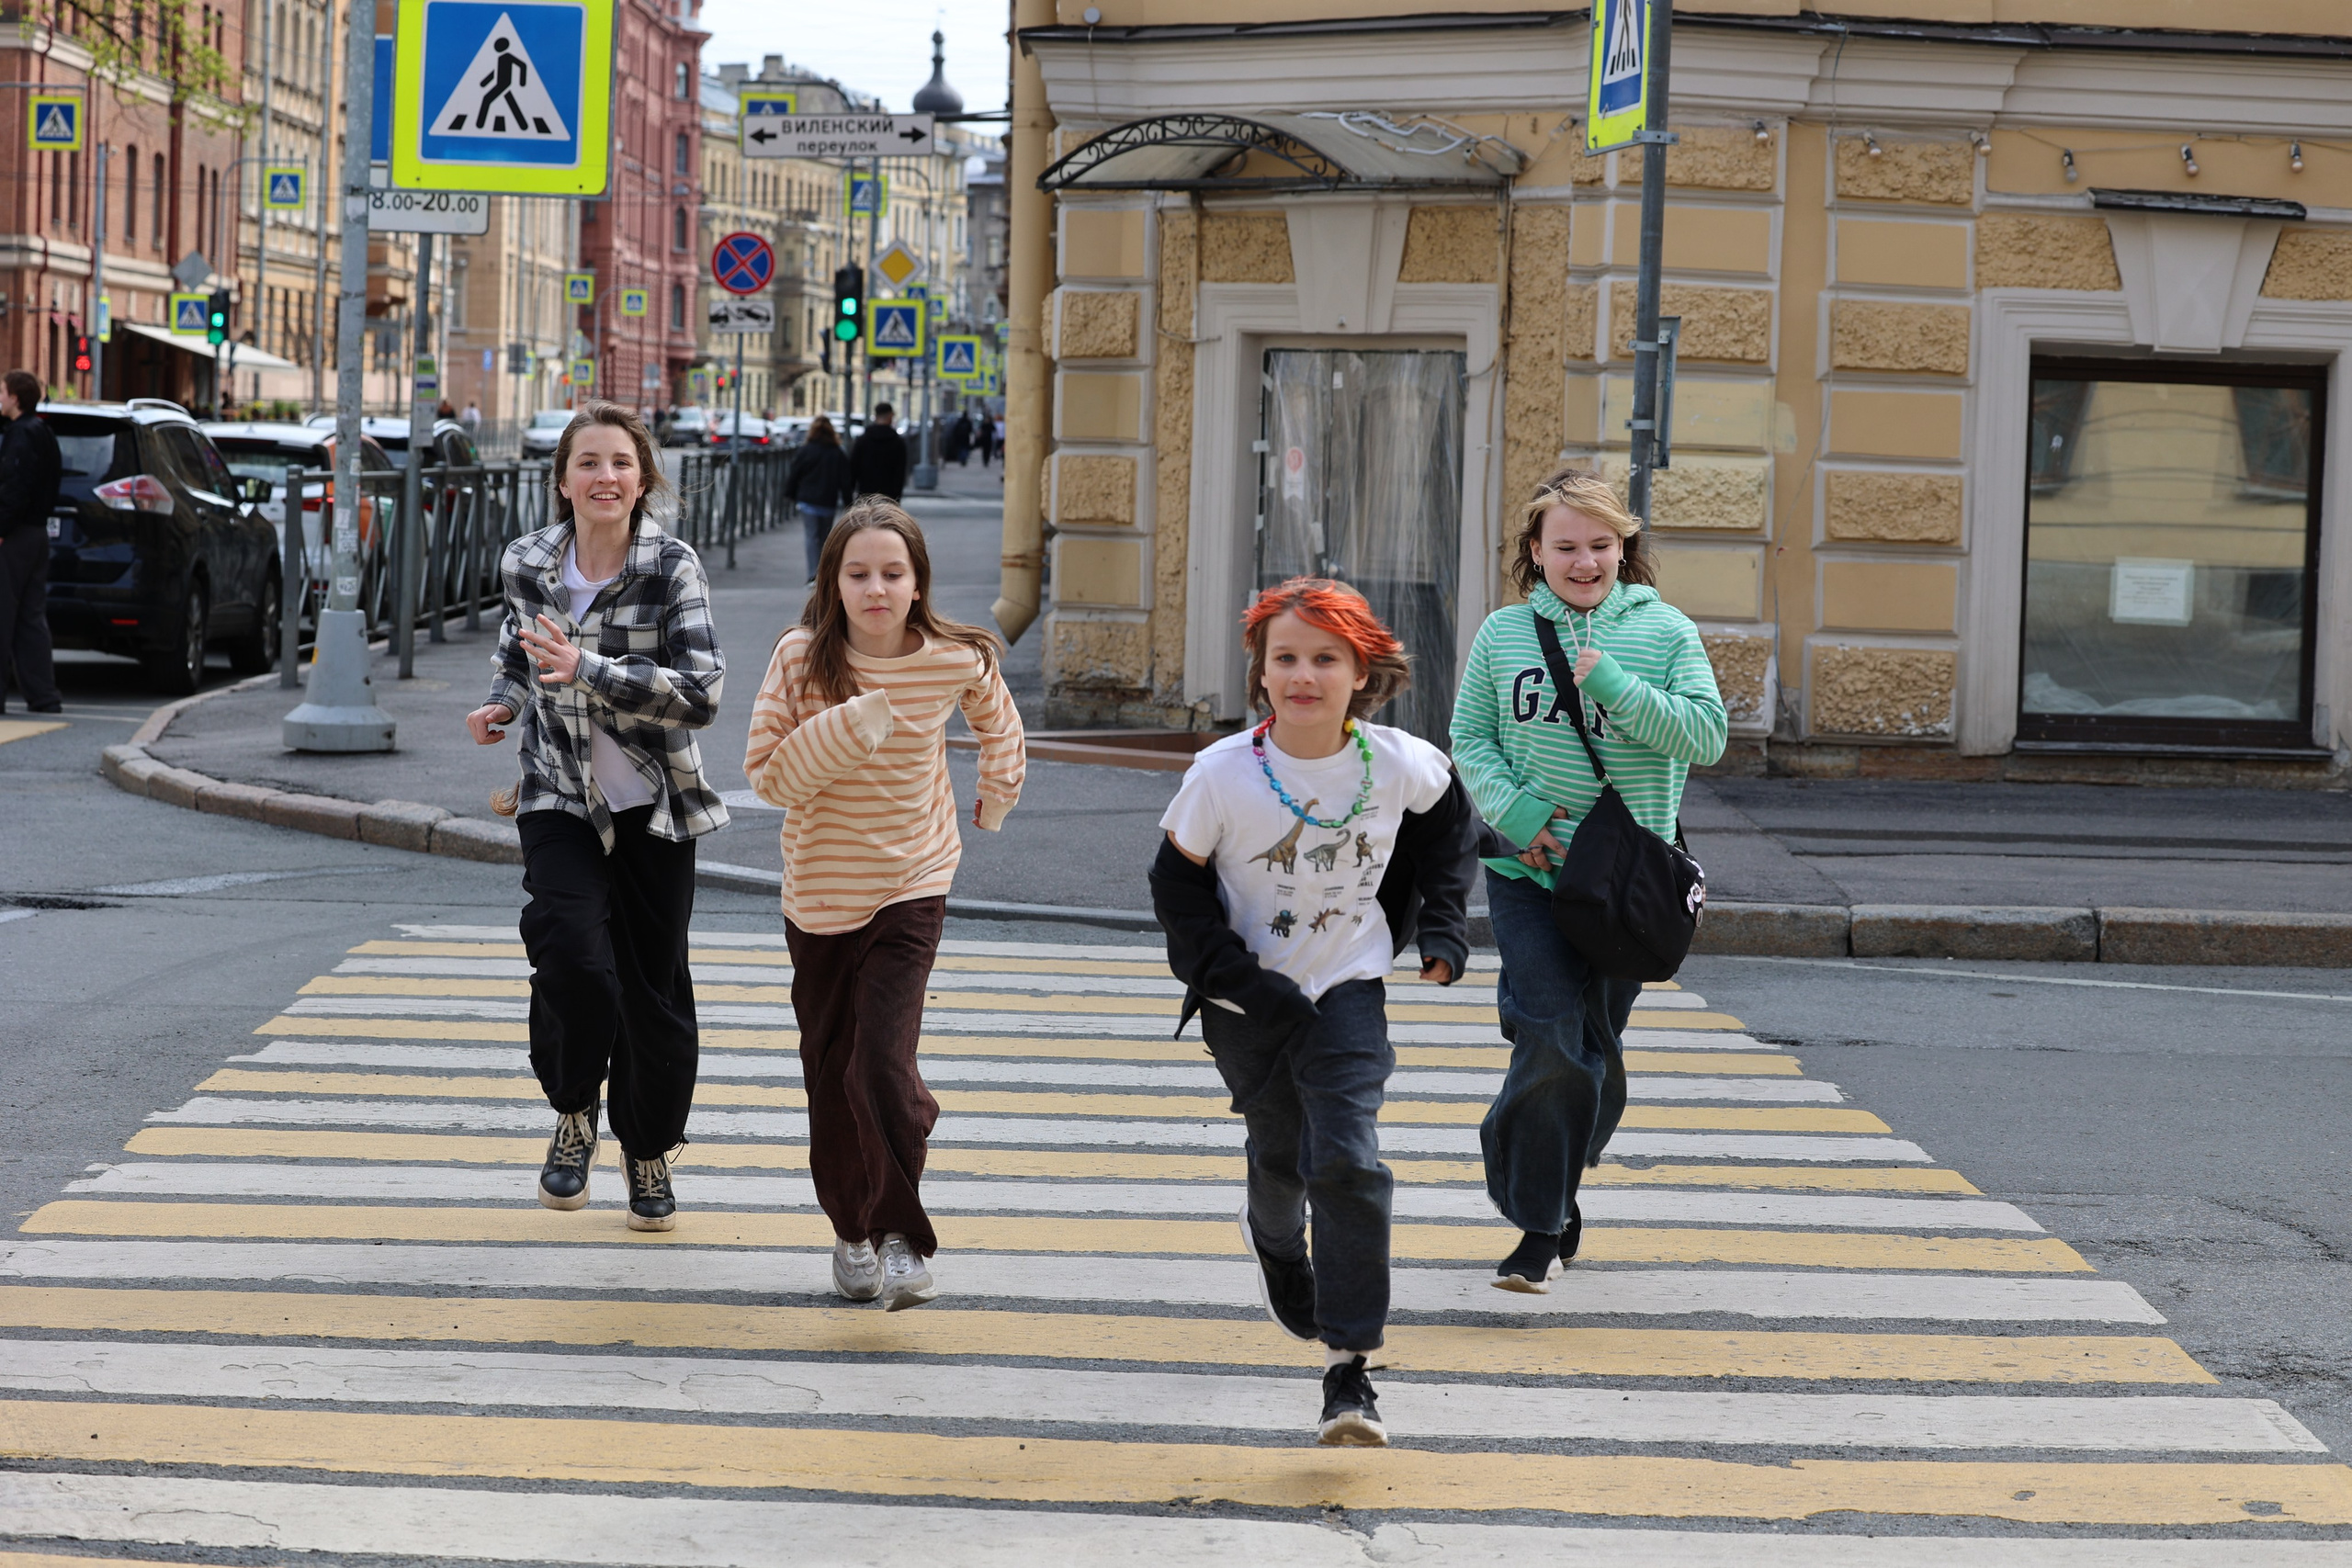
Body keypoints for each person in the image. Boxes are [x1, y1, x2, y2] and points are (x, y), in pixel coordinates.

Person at [1151, 578, 1475, 1448]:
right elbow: (1175, 887)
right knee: (1283, 1153)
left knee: (1349, 1159)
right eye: (1285, 657)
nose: (1304, 674)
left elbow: (1451, 824)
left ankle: (1349, 1368)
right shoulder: (1221, 775)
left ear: (1361, 671)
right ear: (1258, 672)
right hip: (1246, 1001)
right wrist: (1240, 980)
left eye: (1326, 658)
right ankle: (1276, 1241)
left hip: (1347, 989)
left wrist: (1441, 924)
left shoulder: (1396, 760)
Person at [1448, 468, 1725, 1292]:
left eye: (1599, 545)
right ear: (1535, 552)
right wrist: (1519, 817)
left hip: (1627, 883)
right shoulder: (1502, 635)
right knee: (1548, 1036)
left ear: (1623, 548)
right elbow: (1470, 738)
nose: (1583, 561)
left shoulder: (1668, 631)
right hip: (1529, 871)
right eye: (1564, 546)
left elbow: (1706, 736)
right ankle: (1538, 1226)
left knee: (1590, 1051)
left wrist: (1614, 685)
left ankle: (1550, 1180)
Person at [743, 499, 1024, 1312]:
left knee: (877, 1063)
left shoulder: (953, 655)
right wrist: (850, 725)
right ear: (832, 581)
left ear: (916, 581)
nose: (876, 588)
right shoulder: (800, 658)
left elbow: (1000, 726)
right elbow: (768, 776)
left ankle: (902, 1236)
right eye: (858, 573)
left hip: (914, 882)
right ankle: (851, 1228)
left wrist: (995, 797)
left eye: (892, 573)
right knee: (834, 1076)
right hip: (822, 897)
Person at [464, 401, 729, 1234]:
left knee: (653, 994)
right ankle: (575, 1111)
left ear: (643, 478)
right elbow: (519, 643)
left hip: (655, 804)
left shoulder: (672, 566)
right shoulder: (528, 560)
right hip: (559, 795)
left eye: (621, 462)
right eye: (589, 462)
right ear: (562, 479)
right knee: (572, 956)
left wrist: (591, 668)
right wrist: (502, 701)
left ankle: (646, 1148)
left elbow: (702, 695)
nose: (605, 476)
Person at [0, 369, 63, 716]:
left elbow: (14, 487)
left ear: (16, 398)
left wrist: (2, 527)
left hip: (15, 535)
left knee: (4, 615)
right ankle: (43, 696)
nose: (0, 397)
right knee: (31, 617)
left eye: (2, 391)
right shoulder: (44, 432)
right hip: (37, 533)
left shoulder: (21, 436)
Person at [786, 416, 854, 586]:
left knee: (811, 536)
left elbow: (795, 473)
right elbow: (845, 480)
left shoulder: (806, 450)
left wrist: (791, 494)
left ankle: (812, 575)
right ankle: (823, 574)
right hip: (828, 502)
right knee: (825, 538)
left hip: (808, 500)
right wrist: (848, 503)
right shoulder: (837, 452)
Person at [848, 402, 908, 502]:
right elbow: (900, 474)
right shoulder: (898, 442)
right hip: (888, 499)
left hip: (865, 497)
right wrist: (897, 500)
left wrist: (850, 499)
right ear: (890, 416)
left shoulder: (863, 440)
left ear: (875, 416)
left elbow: (853, 470)